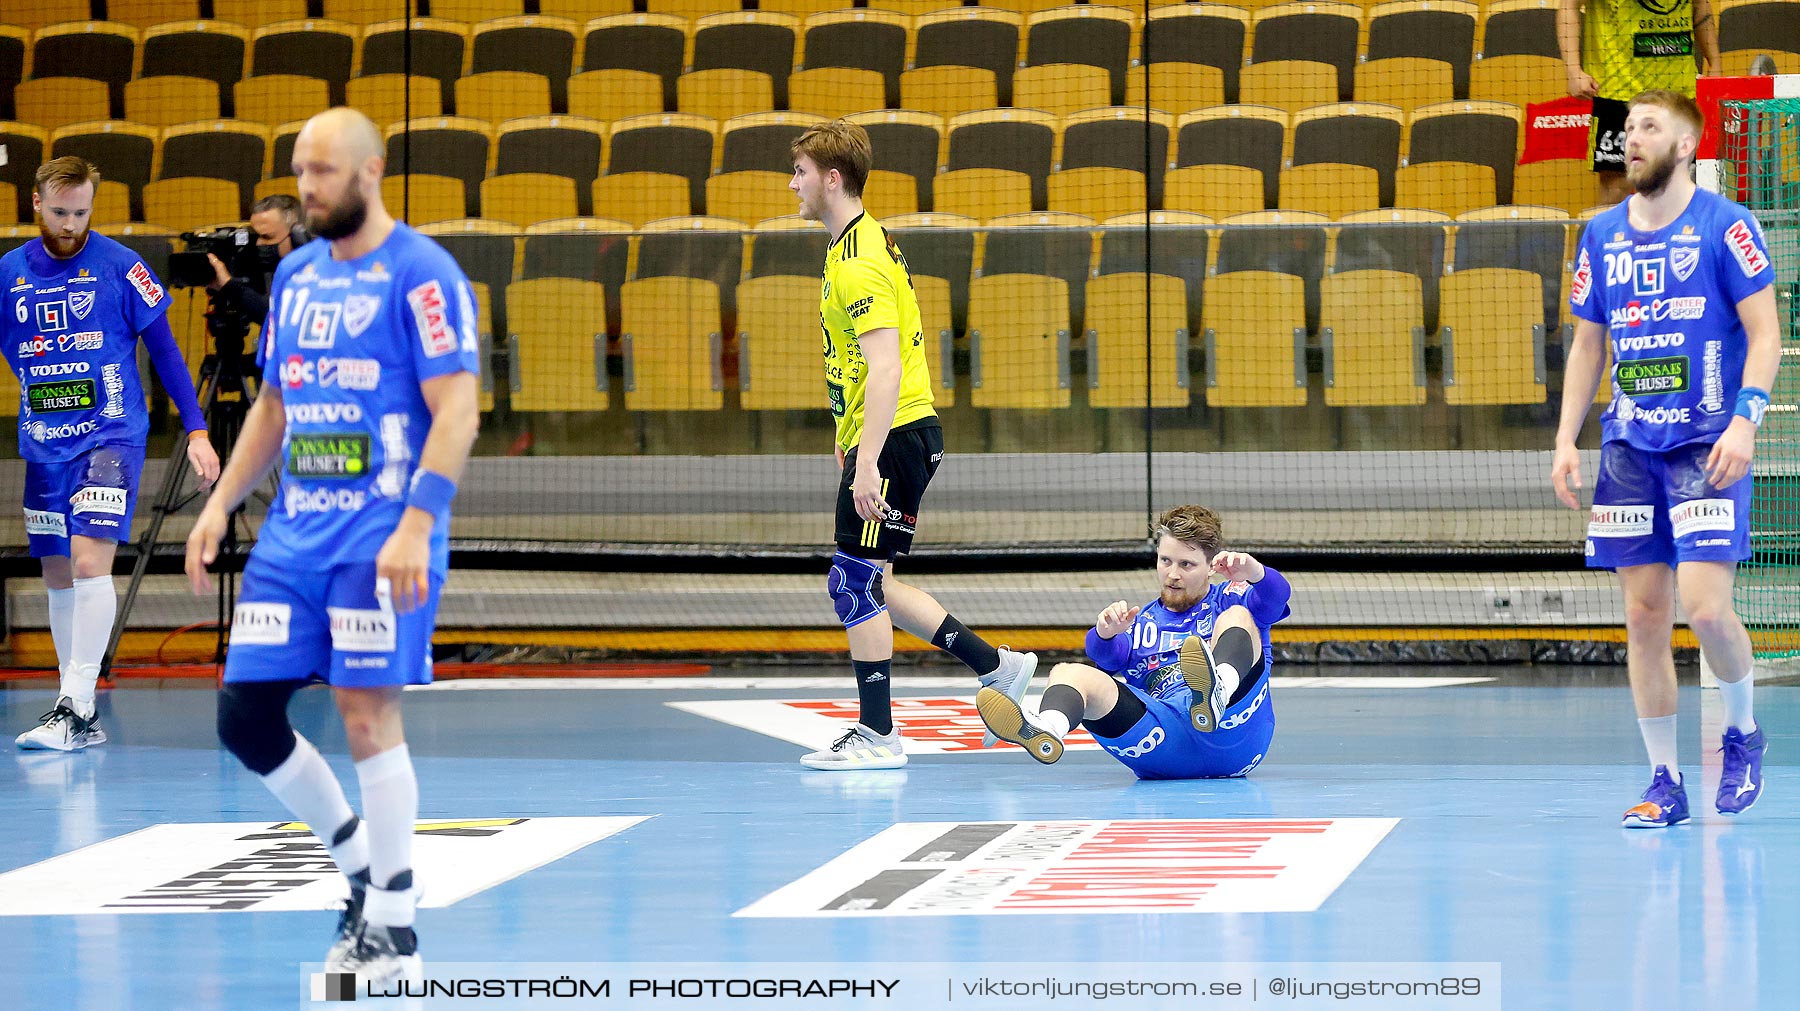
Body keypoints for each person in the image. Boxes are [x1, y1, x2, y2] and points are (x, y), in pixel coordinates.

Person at [184, 107, 482, 982]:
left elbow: (458, 410)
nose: (306, 189)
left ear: (372, 170)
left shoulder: (423, 274)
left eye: (322, 172)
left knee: (363, 712)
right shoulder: (299, 277)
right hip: (293, 536)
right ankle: (358, 864)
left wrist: (420, 522)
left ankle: (394, 923)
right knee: (244, 715)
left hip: (382, 533)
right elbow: (273, 408)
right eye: (300, 171)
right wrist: (219, 505)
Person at [1553, 89, 1780, 827]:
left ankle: (1742, 732)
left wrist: (1746, 422)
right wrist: (1565, 438)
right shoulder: (1600, 234)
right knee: (1644, 616)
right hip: (1629, 445)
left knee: (1708, 610)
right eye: (1627, 128)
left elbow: (1767, 335)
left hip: (1707, 441)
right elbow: (1588, 342)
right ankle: (1664, 781)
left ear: (1687, 146)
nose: (1631, 138)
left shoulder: (1730, 227)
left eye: (1650, 126)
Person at [788, 119, 1035, 770]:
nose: (794, 185)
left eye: (801, 173)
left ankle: (877, 734)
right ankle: (996, 665)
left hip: (896, 435)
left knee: (851, 581)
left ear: (831, 178)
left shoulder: (860, 259)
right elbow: (852, 362)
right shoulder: (854, 245)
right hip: (891, 432)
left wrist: (868, 460)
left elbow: (886, 366)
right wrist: (850, 439)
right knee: (876, 580)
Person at [2, 156, 220, 751]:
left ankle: (75, 704)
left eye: (82, 212)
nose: (72, 223)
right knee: (56, 571)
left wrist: (196, 430)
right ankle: (79, 713)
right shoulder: (8, 274)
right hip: (44, 441)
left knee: (91, 562)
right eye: (61, 211)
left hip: (111, 433)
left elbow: (168, 352)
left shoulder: (123, 268)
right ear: (37, 204)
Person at [976, 505, 1289, 779]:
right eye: (1165, 561)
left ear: (1211, 568)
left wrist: (1255, 572)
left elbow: (1276, 599)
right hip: (1165, 743)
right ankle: (1047, 729)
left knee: (1238, 615)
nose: (1173, 574)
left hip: (1234, 735)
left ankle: (1218, 688)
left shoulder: (1231, 597)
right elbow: (1104, 657)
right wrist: (1105, 632)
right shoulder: (1142, 622)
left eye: (1186, 565)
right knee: (1067, 671)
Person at [1558, 0, 1719, 206]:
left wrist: (1715, 62)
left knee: (1682, 180)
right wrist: (1573, 70)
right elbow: (1568, 6)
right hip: (1617, 92)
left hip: (1679, 95)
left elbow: (1700, 7)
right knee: (1616, 186)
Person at [205, 192, 305, 349]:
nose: (259, 243)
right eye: (256, 235)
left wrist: (230, 286)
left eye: (267, 236)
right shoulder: (260, 264)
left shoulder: (315, 272)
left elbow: (275, 315)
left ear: (296, 236)